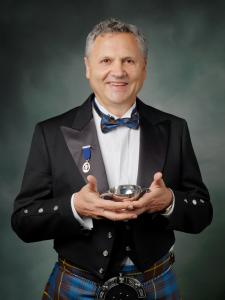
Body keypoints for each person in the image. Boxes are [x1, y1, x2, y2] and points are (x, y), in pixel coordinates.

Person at [12, 18, 213, 300]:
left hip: (157, 283)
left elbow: (203, 212)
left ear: (144, 68)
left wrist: (168, 201)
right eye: (106, 60)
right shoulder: (49, 132)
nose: (117, 71)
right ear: (87, 67)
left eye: (128, 61)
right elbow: (23, 221)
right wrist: (76, 207)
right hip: (76, 285)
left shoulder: (175, 129)